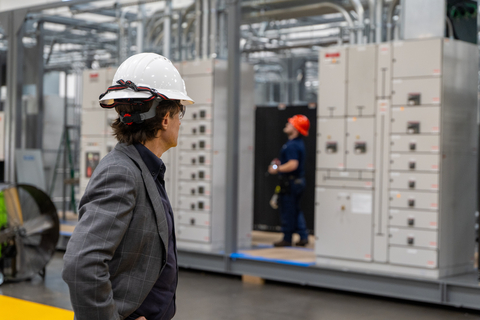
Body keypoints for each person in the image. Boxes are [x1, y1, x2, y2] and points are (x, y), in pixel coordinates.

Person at [62, 53, 194, 320]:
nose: (181, 120)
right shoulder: (120, 172)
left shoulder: (144, 169)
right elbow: (81, 265)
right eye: (179, 111)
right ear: (165, 118)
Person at [268, 115, 310, 247]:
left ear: (296, 129)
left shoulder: (292, 145)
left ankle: (287, 238)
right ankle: (303, 236)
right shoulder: (294, 144)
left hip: (291, 183)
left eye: (290, 123)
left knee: (288, 210)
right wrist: (277, 166)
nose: (287, 124)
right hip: (297, 182)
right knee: (295, 210)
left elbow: (293, 164)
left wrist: (276, 168)